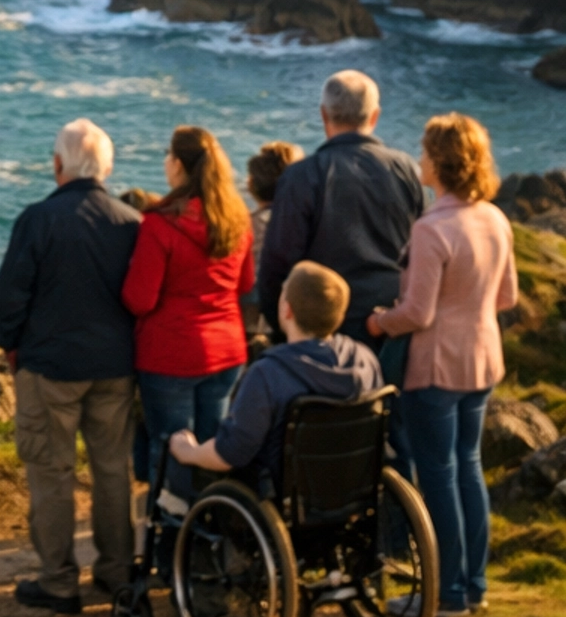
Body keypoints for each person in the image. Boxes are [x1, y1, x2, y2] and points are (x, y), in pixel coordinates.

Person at [367, 112, 518, 617]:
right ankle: (474, 584)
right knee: (469, 469)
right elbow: (507, 296)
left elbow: (418, 313)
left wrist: (380, 323)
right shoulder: (495, 218)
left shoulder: (432, 229)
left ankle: (446, 593)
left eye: (426, 151)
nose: (420, 158)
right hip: (482, 359)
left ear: (442, 163)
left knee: (437, 475)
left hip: (435, 367)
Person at [0, 118, 141, 614]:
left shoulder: (37, 220)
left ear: (57, 164)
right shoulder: (130, 222)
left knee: (52, 474)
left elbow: (9, 295)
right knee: (112, 470)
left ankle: (58, 581)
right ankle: (118, 571)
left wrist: (13, 348)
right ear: (107, 166)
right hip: (115, 366)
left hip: (50, 365)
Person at [169, 260, 382, 492]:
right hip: (351, 491)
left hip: (279, 497)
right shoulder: (364, 360)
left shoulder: (268, 374)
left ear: (287, 310)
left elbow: (230, 454)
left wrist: (188, 452)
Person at [121, 127, 254, 487]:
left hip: (170, 355)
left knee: (169, 454)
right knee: (214, 449)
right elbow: (244, 284)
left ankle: (170, 535)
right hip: (226, 351)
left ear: (178, 164)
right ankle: (209, 528)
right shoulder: (237, 219)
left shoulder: (160, 224)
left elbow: (140, 299)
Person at [255, 71, 425, 341]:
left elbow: (278, 262)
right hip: (392, 322)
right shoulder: (406, 168)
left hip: (324, 325)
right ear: (374, 116)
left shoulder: (301, 176)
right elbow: (421, 249)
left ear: (324, 115)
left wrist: (281, 329)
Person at [241, 141, 302, 342]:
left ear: (252, 185)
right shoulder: (302, 224)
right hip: (290, 318)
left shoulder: (243, 225)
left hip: (245, 318)